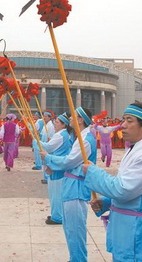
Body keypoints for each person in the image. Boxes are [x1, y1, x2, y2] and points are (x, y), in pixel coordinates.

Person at [83, 103, 142, 262]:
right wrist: (107, 202)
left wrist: (93, 172)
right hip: (127, 227)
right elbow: (133, 189)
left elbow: (122, 189)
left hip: (139, 230)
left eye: (129, 120)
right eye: (123, 120)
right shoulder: (135, 149)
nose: (123, 125)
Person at [40, 107, 97, 262]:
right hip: (71, 185)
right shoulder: (80, 137)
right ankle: (75, 258)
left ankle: (78, 259)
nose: (70, 118)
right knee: (70, 229)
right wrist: (54, 170)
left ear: (80, 120)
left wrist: (49, 158)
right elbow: (71, 164)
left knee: (75, 230)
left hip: (77, 189)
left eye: (73, 116)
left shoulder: (85, 140)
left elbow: (69, 161)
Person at [40, 113, 73, 225]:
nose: (55, 123)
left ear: (64, 124)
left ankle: (57, 217)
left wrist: (37, 142)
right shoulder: (65, 134)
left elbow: (48, 147)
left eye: (57, 122)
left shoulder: (60, 135)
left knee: (55, 194)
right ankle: (57, 214)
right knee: (57, 193)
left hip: (56, 166)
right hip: (59, 166)